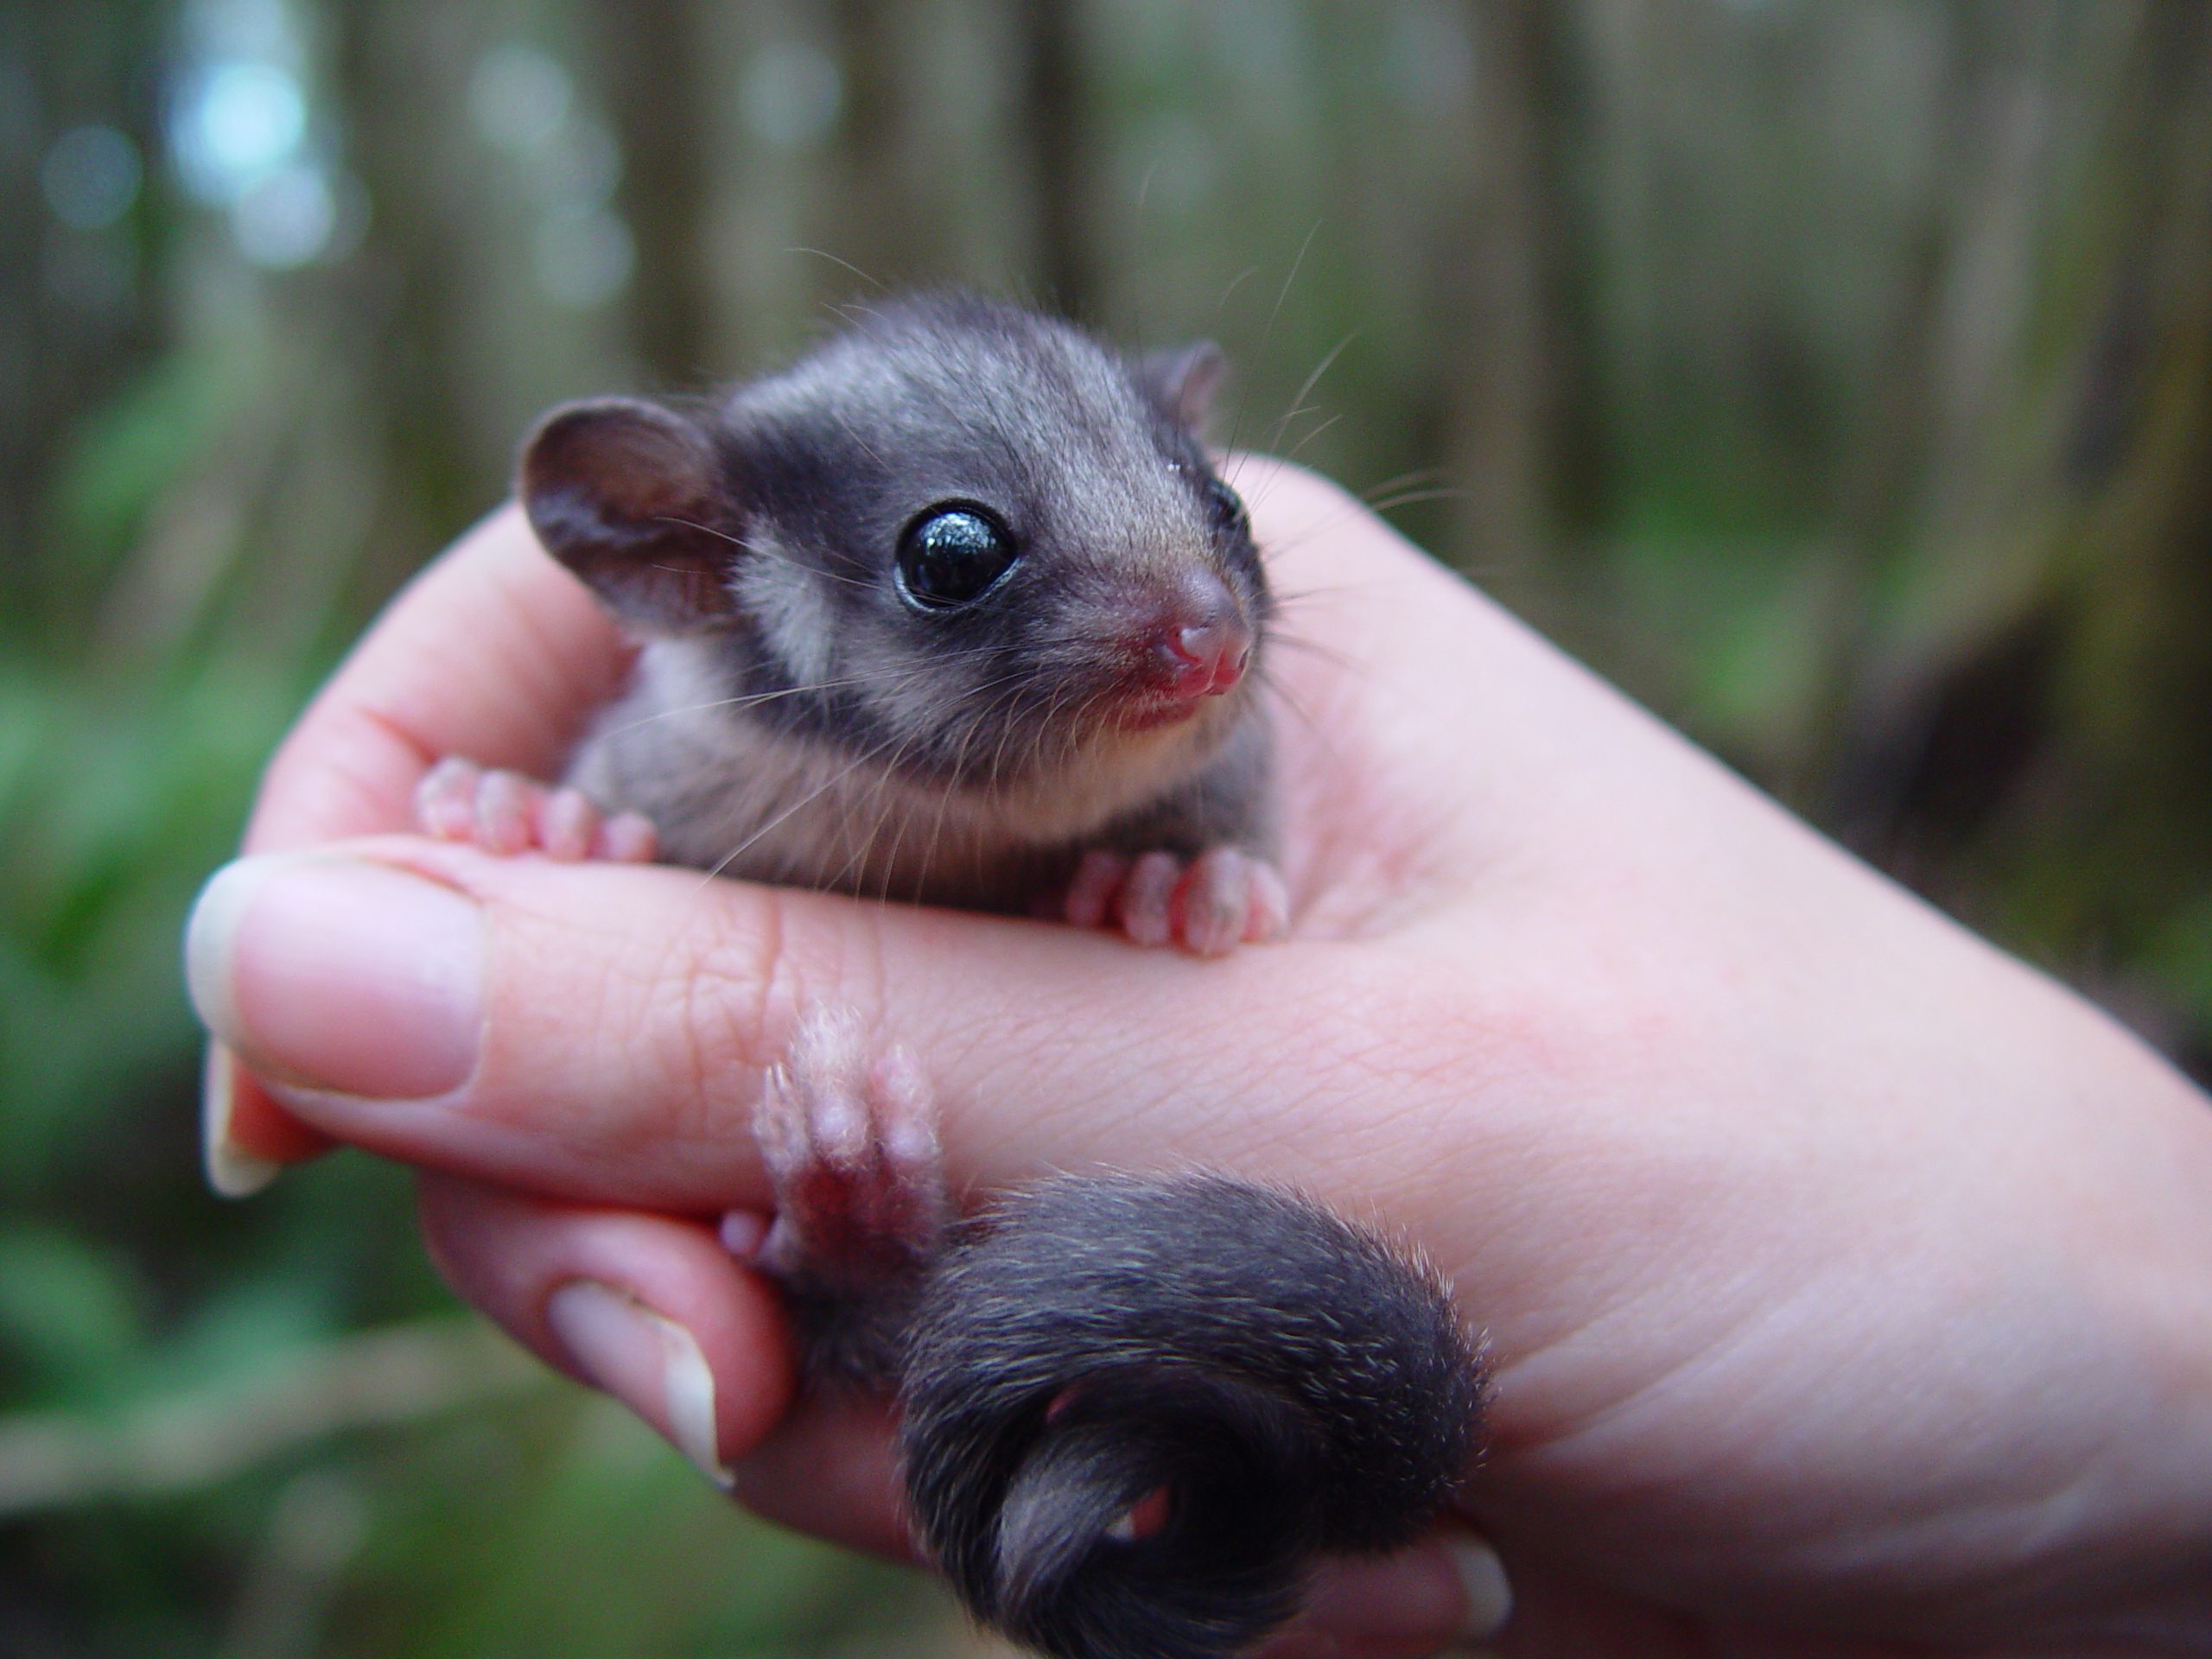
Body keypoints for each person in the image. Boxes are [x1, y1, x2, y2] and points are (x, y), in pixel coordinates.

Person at [183, 456, 2212, 1656]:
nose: (1201, 640)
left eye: (1204, 519)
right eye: (965, 559)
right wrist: (534, 834)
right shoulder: (666, 755)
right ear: (689, 566)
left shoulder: (1200, 798)